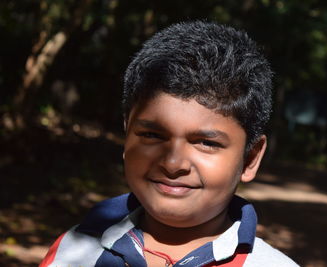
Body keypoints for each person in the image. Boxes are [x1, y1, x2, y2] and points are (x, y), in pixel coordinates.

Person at [40, 21, 299, 267]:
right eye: (153, 135)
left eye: (207, 143)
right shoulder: (73, 251)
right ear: (127, 133)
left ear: (250, 158)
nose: (173, 164)